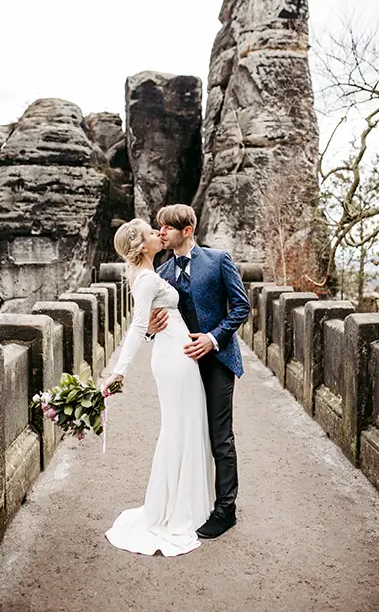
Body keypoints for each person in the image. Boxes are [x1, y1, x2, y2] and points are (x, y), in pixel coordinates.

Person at [101, 218, 214, 557]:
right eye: (152, 233)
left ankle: (188, 501)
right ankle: (178, 508)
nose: (158, 233)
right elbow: (137, 328)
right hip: (173, 360)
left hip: (178, 354)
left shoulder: (151, 274)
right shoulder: (148, 279)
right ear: (142, 245)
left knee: (187, 425)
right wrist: (118, 372)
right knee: (181, 428)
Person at [147, 204, 250, 539]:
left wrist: (212, 338)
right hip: (181, 366)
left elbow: (241, 307)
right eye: (158, 227)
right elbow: (154, 327)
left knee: (220, 437)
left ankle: (225, 511)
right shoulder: (161, 275)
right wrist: (150, 328)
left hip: (218, 360)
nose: (160, 232)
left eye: (166, 227)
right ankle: (190, 503)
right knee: (188, 433)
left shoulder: (219, 260)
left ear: (187, 230)